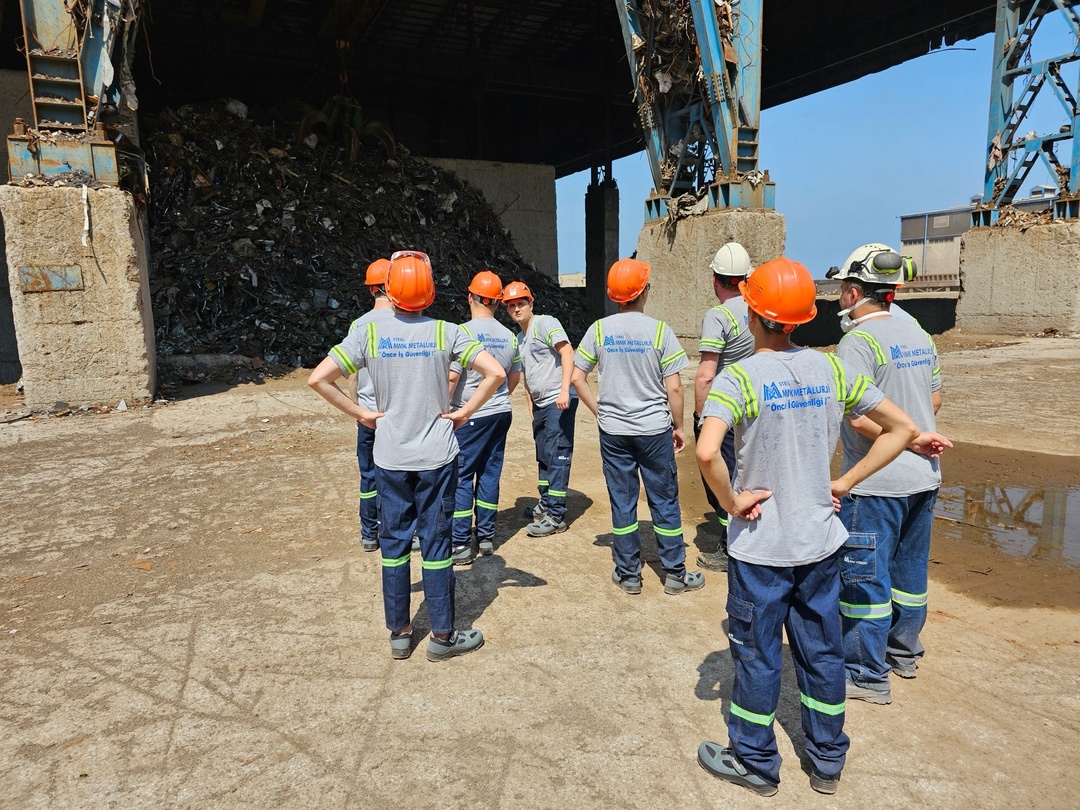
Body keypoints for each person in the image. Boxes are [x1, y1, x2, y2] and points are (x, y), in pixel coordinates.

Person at [694, 257, 920, 797]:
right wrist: (841, 485)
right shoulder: (830, 369)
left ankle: (754, 760)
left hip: (762, 547)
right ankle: (826, 761)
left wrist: (732, 501)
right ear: (800, 317)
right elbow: (903, 427)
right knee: (821, 653)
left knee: (756, 652)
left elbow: (707, 451)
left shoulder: (739, 377)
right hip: (821, 543)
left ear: (752, 310)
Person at [308, 252, 506, 662]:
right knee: (436, 545)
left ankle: (399, 633)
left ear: (390, 292)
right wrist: (465, 412)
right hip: (437, 456)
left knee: (393, 544)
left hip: (390, 456)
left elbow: (319, 379)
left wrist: (361, 414)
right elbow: (497, 374)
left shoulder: (369, 335)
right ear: (431, 293)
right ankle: (442, 636)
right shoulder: (446, 333)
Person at [826, 243, 951, 704]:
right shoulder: (916, 330)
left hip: (875, 480)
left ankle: (864, 671)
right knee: (910, 571)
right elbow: (934, 400)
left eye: (842, 288)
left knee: (865, 577)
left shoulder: (857, 342)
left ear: (855, 290)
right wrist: (916, 431)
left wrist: (899, 433)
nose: (840, 296)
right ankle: (904, 652)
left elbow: (859, 419)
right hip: (925, 476)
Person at [571, 258, 704, 596]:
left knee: (623, 500)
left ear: (614, 295)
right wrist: (678, 426)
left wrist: (598, 409)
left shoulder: (599, 330)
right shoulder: (660, 331)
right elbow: (674, 387)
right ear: (645, 291)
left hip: (614, 430)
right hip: (653, 430)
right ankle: (675, 573)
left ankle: (629, 574)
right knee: (663, 498)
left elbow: (576, 377)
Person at [449, 270, 522, 564]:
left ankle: (461, 544)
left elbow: (453, 378)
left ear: (470, 297)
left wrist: (445, 409)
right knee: (490, 474)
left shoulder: (461, 332)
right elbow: (514, 377)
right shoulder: (509, 335)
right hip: (501, 412)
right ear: (497, 302)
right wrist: (497, 398)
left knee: (462, 477)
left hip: (469, 416)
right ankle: (488, 537)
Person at [693, 242, 756, 573]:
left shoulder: (717, 316)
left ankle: (733, 542)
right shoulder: (757, 308)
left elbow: (706, 375)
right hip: (755, 405)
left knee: (720, 476)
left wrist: (701, 418)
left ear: (715, 279)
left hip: (726, 410)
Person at [503, 280, 578, 537]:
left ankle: (556, 515)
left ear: (531, 303)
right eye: (511, 305)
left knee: (557, 454)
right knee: (543, 453)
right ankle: (546, 503)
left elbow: (568, 353)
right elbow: (526, 375)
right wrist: (529, 404)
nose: (516, 309)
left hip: (559, 401)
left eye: (520, 303)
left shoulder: (546, 323)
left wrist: (565, 391)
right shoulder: (520, 338)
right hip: (541, 404)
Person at [347, 258, 395, 553]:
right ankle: (404, 531)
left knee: (369, 476)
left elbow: (352, 374)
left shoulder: (359, 325)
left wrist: (356, 410)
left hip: (367, 413)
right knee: (402, 475)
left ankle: (369, 534)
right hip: (397, 416)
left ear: (372, 290)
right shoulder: (406, 321)